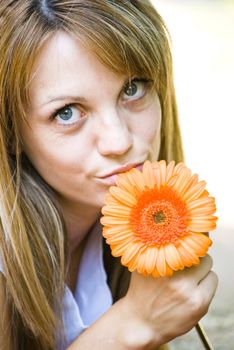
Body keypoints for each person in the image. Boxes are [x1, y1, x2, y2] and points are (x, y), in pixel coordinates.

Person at [0, 1, 218, 349]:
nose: (119, 141)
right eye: (67, 113)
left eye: (132, 89)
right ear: (11, 136)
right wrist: (132, 326)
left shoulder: (129, 240)